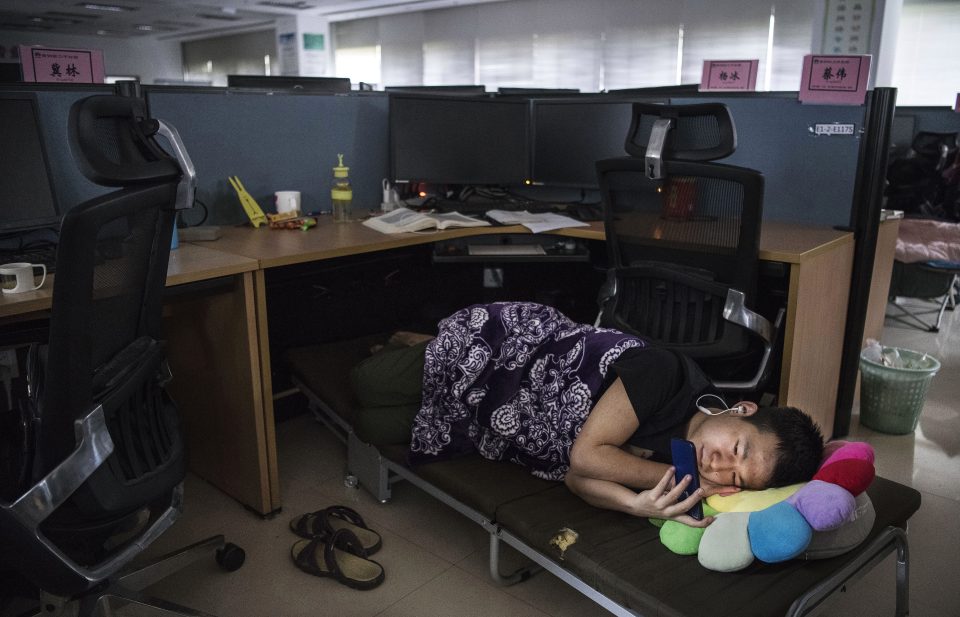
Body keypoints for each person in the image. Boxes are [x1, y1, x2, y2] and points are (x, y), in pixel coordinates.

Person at [352, 302, 824, 528]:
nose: (718, 467)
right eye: (737, 449)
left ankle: (427, 361)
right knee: (365, 385)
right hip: (507, 353)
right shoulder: (666, 376)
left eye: (736, 479)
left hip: (503, 414)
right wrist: (680, 483)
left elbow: (575, 480)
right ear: (742, 410)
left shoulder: (685, 464)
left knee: (371, 425)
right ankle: (422, 342)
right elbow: (586, 457)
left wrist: (637, 503)